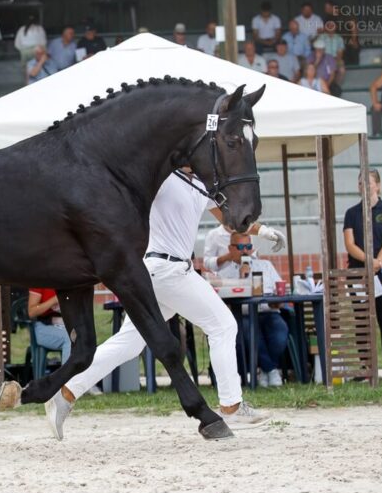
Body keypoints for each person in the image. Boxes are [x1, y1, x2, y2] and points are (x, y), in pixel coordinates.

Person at [44, 170, 288, 440]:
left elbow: (231, 223)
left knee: (129, 343)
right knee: (223, 326)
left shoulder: (201, 184)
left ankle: (65, 393)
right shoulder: (162, 177)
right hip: (167, 270)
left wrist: (264, 231)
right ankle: (231, 405)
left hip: (162, 272)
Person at [343, 169, 382, 381]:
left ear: (378, 185)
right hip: (358, 273)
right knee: (361, 320)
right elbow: (349, 244)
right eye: (360, 183)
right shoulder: (351, 213)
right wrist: (368, 262)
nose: (364, 187)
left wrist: (378, 263)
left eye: (368, 183)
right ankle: (365, 366)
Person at [216, 232, 289, 388]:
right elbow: (222, 304)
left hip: (267, 311)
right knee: (249, 332)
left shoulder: (265, 266)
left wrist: (277, 302)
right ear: (231, 249)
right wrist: (242, 278)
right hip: (243, 316)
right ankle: (271, 370)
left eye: (248, 247)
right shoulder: (224, 274)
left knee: (280, 333)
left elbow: (279, 292)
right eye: (241, 247)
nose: (245, 251)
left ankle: (265, 369)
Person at [27, 288, 71, 364]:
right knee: (70, 338)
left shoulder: (66, 281)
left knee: (83, 335)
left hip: (64, 323)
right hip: (43, 326)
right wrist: (54, 300)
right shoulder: (39, 281)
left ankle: (83, 373)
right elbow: (31, 312)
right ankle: (70, 375)